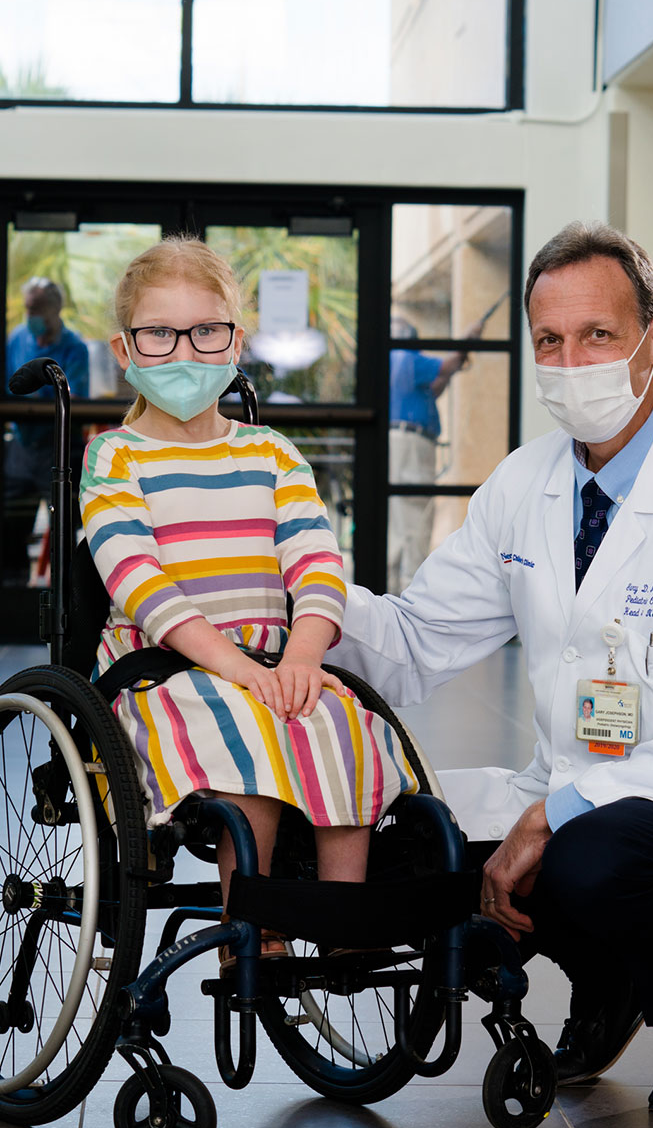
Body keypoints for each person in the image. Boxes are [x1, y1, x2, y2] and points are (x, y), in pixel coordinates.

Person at [336, 220, 653, 1113]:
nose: (570, 359)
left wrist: (553, 814)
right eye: (550, 340)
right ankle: (611, 975)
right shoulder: (525, 484)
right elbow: (418, 637)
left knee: (589, 861)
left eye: (598, 335)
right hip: (575, 783)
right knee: (403, 852)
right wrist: (304, 600)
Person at [80, 238, 417, 965]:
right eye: (159, 335)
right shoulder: (115, 458)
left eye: (206, 332)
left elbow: (318, 562)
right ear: (125, 347)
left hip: (272, 657)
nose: (185, 354)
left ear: (235, 340)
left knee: (342, 721)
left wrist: (302, 653)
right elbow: (139, 580)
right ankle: (252, 928)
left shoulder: (272, 454)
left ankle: (343, 921)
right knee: (250, 737)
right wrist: (233, 666)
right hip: (164, 666)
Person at [388, 313, 485, 593]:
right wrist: (469, 339)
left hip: (398, 443)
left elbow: (435, 386)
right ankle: (409, 592)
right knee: (415, 517)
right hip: (411, 444)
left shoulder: (394, 363)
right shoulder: (406, 357)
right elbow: (448, 365)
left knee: (399, 521)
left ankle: (392, 589)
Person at [5, 277, 89, 576]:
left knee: (65, 531)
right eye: (28, 309)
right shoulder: (17, 337)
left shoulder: (74, 347)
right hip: (20, 447)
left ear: (56, 309)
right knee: (9, 528)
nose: (31, 317)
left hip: (58, 447)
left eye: (37, 309)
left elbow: (77, 397)